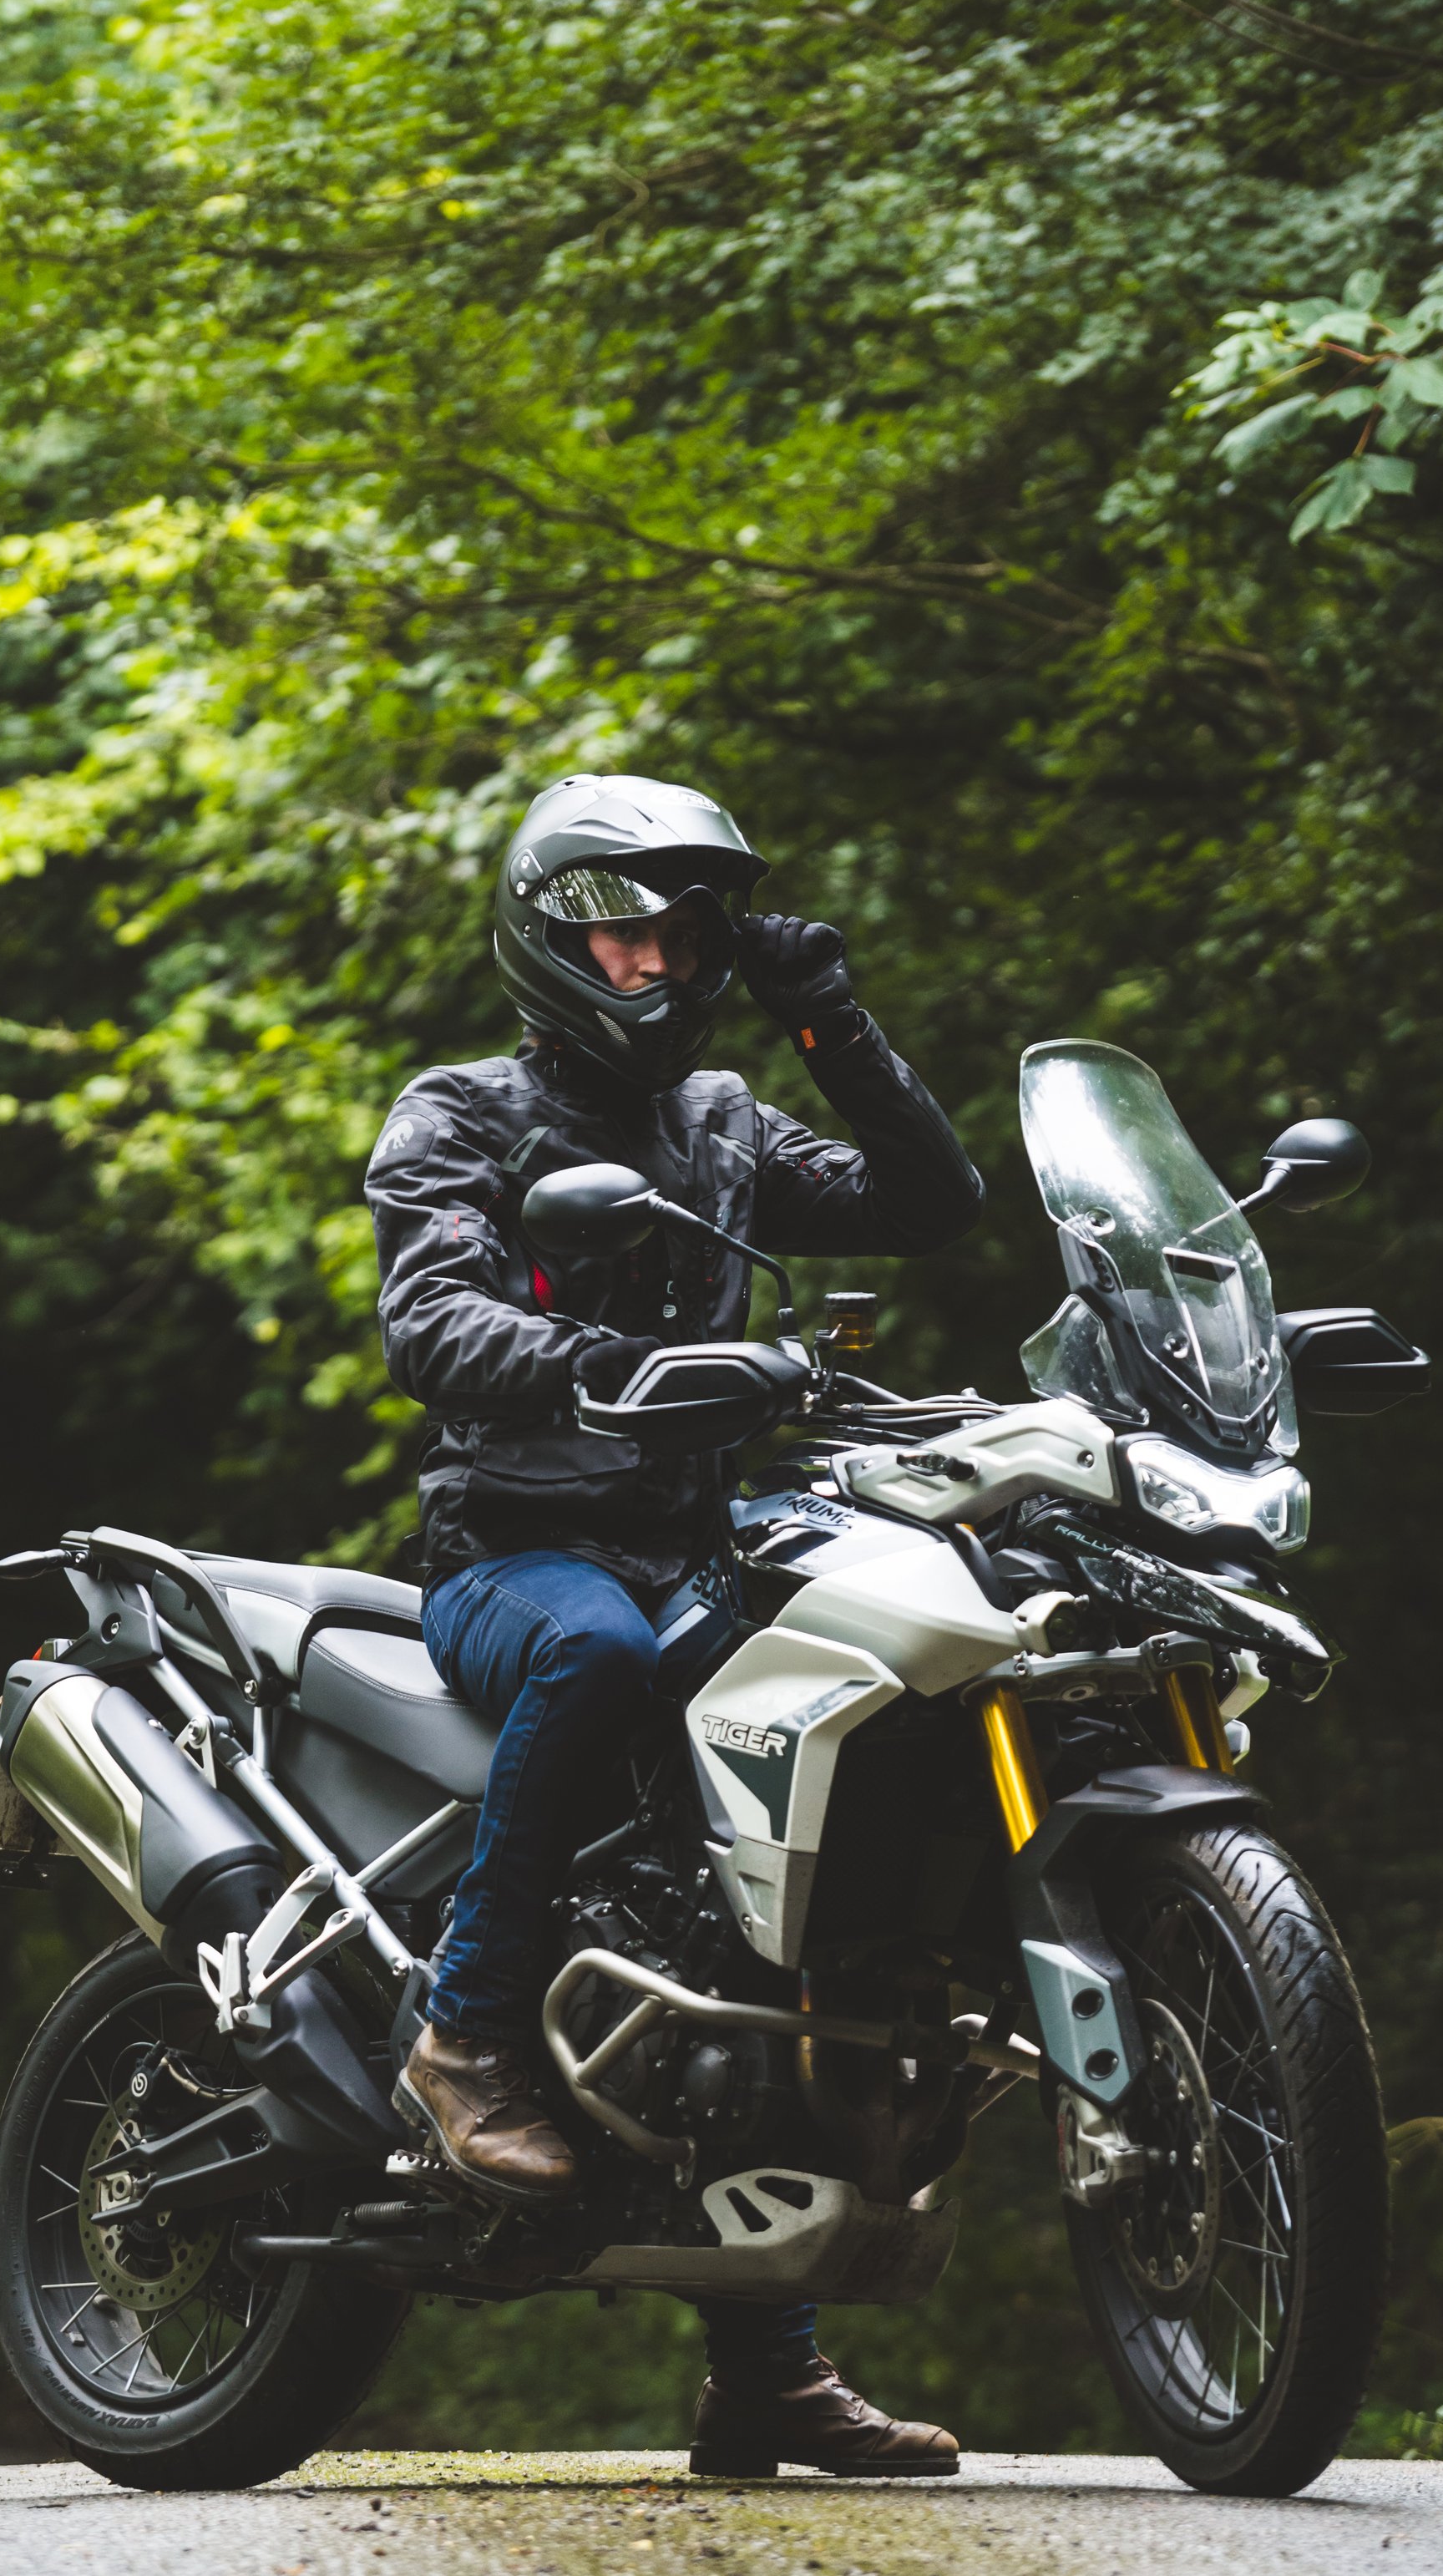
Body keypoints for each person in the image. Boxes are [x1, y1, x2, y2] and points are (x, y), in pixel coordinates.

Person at [364, 772, 984, 2475]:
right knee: (599, 1658)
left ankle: (766, 2370)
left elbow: (926, 1209)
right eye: (625, 930)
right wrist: (608, 1371)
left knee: (751, 1913)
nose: (657, 962)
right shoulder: (461, 1115)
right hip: (519, 1557)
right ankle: (466, 2033)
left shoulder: (719, 1120)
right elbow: (431, 1320)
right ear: (555, 936)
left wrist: (831, 1021)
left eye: (684, 935)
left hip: (701, 1544)